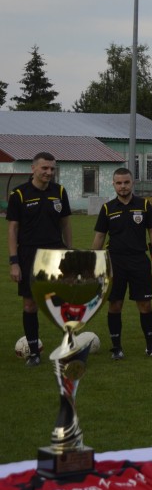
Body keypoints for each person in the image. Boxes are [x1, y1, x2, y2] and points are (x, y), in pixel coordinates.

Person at [91, 167, 152, 359]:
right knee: (115, 305)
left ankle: (151, 348)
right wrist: (93, 261)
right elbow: (100, 236)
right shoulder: (107, 208)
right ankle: (116, 349)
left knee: (145, 305)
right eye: (119, 183)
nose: (123, 186)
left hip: (139, 261)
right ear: (113, 184)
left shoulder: (144, 205)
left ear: (132, 183)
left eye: (126, 182)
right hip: (114, 262)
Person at [8, 152, 72, 367]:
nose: (49, 172)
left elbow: (66, 223)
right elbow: (12, 229)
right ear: (33, 168)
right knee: (30, 304)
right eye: (44, 168)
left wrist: (69, 252)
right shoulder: (19, 194)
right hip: (29, 255)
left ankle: (67, 350)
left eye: (52, 169)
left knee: (63, 303)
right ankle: (34, 352)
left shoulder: (59, 191)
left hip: (56, 254)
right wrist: (14, 262)